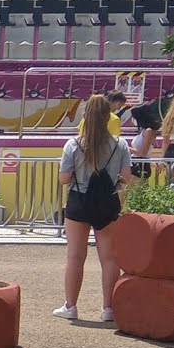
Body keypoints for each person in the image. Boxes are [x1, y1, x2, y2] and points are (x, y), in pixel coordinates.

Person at [54, 93, 131, 322]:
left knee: (75, 256)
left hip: (79, 200)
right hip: (107, 202)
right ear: (108, 117)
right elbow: (126, 177)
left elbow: (64, 178)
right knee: (109, 258)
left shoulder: (73, 144)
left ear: (85, 116)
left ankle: (71, 306)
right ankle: (108, 308)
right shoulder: (120, 144)